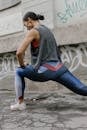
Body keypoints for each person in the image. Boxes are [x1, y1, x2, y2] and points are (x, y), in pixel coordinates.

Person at [10, 12, 87, 110]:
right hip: (59, 68)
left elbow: (19, 52)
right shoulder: (47, 30)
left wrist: (22, 65)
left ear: (29, 20)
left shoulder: (34, 31)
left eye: (26, 26)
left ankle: (20, 103)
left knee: (18, 71)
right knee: (81, 89)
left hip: (46, 70)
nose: (27, 28)